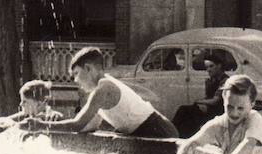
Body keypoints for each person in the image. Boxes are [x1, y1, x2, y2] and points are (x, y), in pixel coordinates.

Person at [20, 47, 178, 138]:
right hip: (154, 131)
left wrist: (40, 125)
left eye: (76, 73)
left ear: (88, 69)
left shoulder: (104, 88)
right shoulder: (100, 90)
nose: (75, 80)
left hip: (159, 131)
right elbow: (89, 126)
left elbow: (77, 124)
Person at [172, 53, 230, 138]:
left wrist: (198, 101)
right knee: (186, 111)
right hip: (210, 108)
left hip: (219, 110)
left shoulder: (225, 80)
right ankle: (178, 135)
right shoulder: (212, 80)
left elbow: (215, 100)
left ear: (219, 66)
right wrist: (202, 104)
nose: (208, 70)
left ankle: (179, 135)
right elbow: (208, 97)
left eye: (211, 66)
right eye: (207, 67)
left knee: (186, 111)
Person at [0, 80, 65, 127]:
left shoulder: (53, 117)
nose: (21, 104)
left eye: (24, 101)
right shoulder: (25, 115)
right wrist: (14, 124)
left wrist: (43, 124)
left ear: (40, 103)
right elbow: (0, 120)